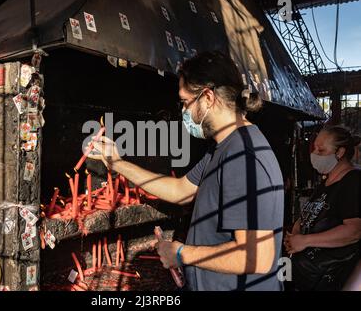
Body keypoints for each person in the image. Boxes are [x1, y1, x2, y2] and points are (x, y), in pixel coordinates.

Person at [89, 51, 284, 291]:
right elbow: (181, 190)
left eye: (184, 102)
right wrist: (118, 163)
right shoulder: (223, 147)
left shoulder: (243, 156)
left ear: (208, 97)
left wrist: (182, 254)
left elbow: (257, 257)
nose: (183, 111)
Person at [285, 125, 361, 291]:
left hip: (331, 278)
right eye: (314, 150)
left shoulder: (353, 181)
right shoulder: (326, 182)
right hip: (305, 274)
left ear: (339, 153)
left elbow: (354, 231)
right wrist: (295, 235)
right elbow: (306, 215)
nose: (314, 155)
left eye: (321, 151)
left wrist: (305, 241)